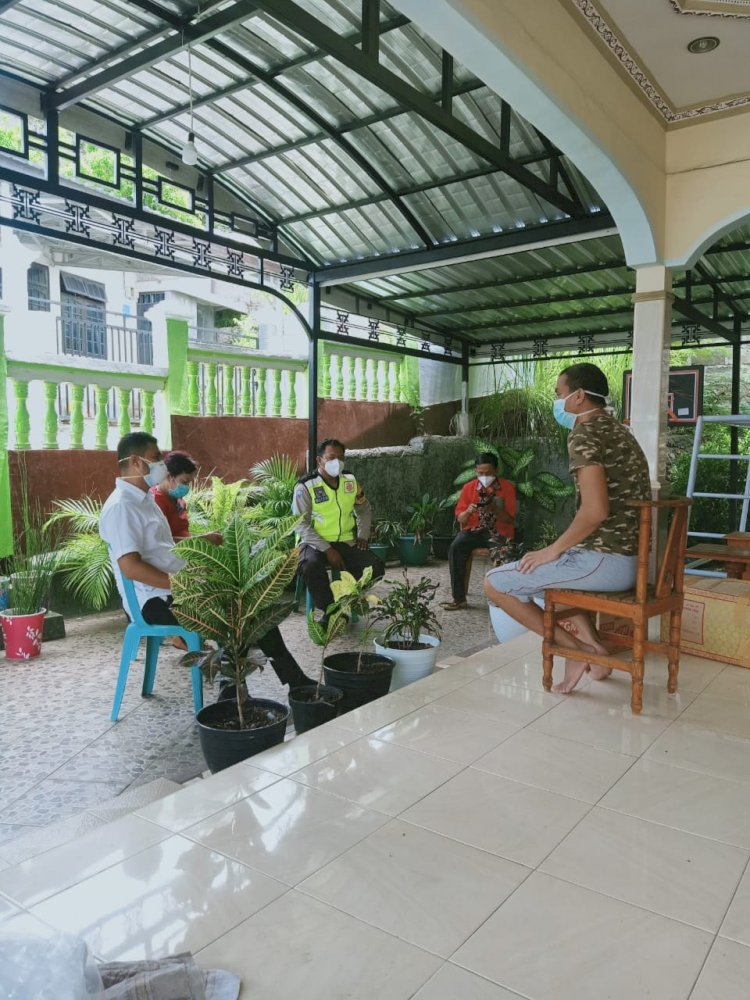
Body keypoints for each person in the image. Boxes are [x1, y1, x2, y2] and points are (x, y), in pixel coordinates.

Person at [484, 362, 651, 694]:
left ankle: (577, 651)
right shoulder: (620, 430)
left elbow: (595, 511)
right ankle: (595, 647)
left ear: (578, 396)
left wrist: (552, 549)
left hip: (607, 560)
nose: (557, 401)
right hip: (631, 558)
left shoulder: (585, 433)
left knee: (495, 584)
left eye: (559, 394)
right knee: (549, 573)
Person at [100, 431, 313, 691]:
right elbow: (130, 567)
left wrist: (203, 544)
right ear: (135, 462)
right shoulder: (122, 506)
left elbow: (163, 545)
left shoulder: (145, 500)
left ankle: (289, 683)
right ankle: (233, 693)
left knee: (249, 606)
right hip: (154, 600)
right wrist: (182, 585)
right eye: (155, 458)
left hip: (175, 588)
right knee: (235, 613)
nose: (161, 465)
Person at [293, 438, 384, 619]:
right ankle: (331, 612)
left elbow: (364, 509)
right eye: (331, 457)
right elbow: (300, 524)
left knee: (375, 566)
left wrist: (363, 536)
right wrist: (328, 550)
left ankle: (349, 598)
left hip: (345, 540)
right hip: (313, 543)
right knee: (310, 566)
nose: (337, 462)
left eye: (341, 458)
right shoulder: (305, 486)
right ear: (319, 460)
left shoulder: (350, 482)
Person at [440, 451, 517, 611]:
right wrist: (468, 511)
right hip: (473, 530)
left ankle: (501, 600)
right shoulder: (469, 488)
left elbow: (510, 519)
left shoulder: (507, 488)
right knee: (456, 548)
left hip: (498, 531)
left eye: (488, 473)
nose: (484, 476)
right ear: (475, 471)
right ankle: (459, 598)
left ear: (496, 471)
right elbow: (461, 519)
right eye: (480, 473)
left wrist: (496, 509)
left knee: (502, 553)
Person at [150, 449, 222, 545]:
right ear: (169, 476)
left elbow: (182, 532)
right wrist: (203, 539)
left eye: (188, 483)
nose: (187, 487)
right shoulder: (156, 502)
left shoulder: (177, 498)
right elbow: (161, 541)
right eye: (184, 482)